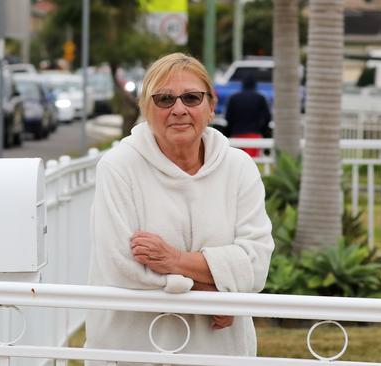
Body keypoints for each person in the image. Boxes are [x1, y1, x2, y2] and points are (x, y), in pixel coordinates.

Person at [85, 52, 274, 363]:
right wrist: (214, 295)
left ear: (211, 106)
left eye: (191, 97)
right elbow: (122, 269)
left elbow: (255, 267)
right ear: (146, 109)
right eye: (164, 99)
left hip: (219, 351)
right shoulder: (118, 167)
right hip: (133, 351)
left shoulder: (239, 167)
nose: (179, 109)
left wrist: (173, 259)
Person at [224, 75, 272, 157]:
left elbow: (228, 117)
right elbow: (267, 117)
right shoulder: (260, 98)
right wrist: (262, 130)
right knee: (251, 162)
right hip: (254, 135)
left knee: (237, 162)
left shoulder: (233, 98)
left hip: (236, 135)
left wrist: (232, 130)